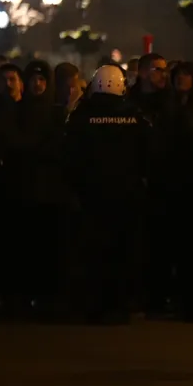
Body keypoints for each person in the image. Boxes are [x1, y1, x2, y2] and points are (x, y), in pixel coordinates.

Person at [63, 65, 151, 324]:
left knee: (93, 253)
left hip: (91, 197)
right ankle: (120, 306)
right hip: (127, 197)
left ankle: (94, 306)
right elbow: (148, 154)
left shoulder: (82, 116)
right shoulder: (135, 117)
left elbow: (70, 156)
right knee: (123, 252)